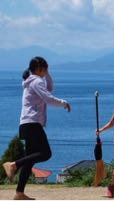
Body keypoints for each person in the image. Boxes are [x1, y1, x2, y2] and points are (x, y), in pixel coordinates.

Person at [2, 57, 71, 201]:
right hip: (32, 123)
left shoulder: (31, 82)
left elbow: (49, 88)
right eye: (45, 69)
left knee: (30, 160)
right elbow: (49, 98)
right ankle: (14, 164)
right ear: (40, 68)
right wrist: (64, 103)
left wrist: (47, 74)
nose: (46, 72)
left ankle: (19, 193)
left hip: (26, 124)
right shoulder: (37, 81)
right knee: (46, 153)